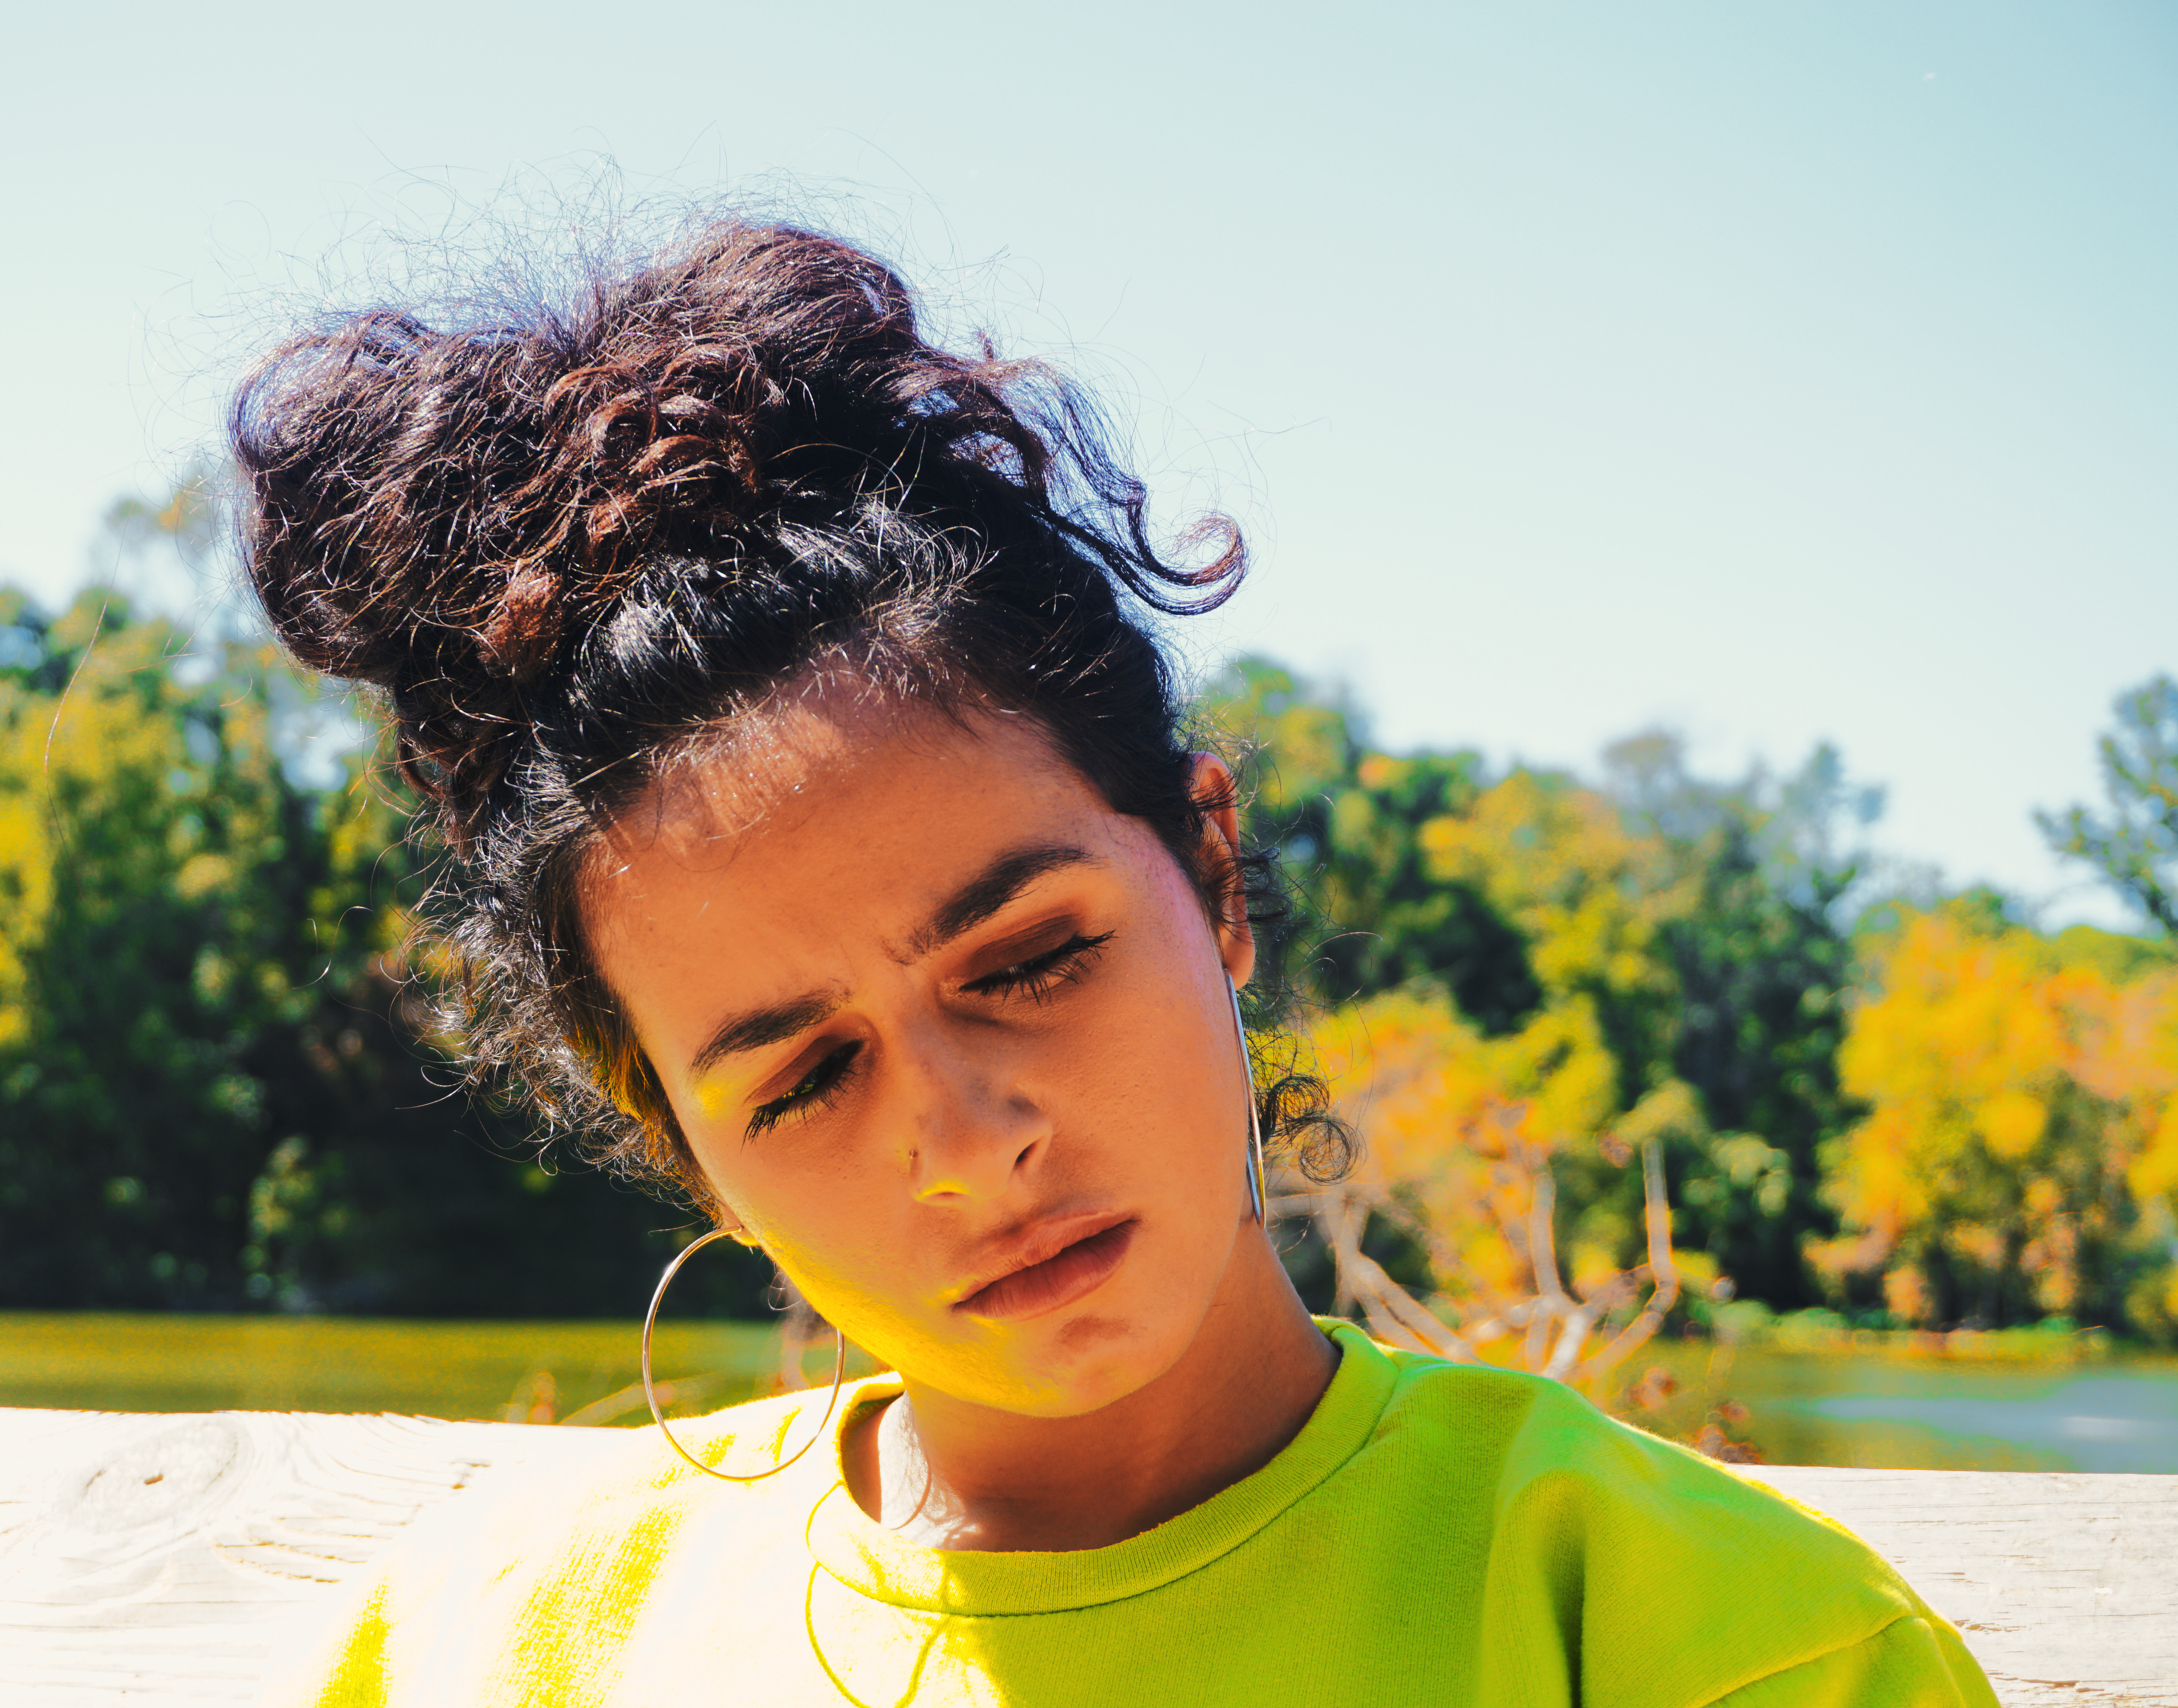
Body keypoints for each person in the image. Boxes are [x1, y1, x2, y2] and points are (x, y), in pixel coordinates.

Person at [234, 219, 1996, 1707]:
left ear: (1211, 873)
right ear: (686, 1147)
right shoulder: (489, 1646)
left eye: (1028, 960)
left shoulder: (1703, 1639)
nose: (969, 1140)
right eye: (805, 1076)